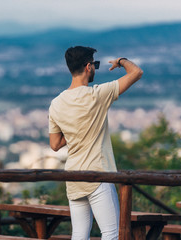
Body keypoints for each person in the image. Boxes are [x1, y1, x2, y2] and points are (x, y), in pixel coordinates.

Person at [48, 46, 143, 240]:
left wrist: (75, 129)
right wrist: (121, 61)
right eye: (95, 65)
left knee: (79, 235)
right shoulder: (97, 95)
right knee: (111, 233)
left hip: (73, 177)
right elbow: (137, 72)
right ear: (88, 66)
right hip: (98, 174)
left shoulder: (56, 104)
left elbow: (55, 144)